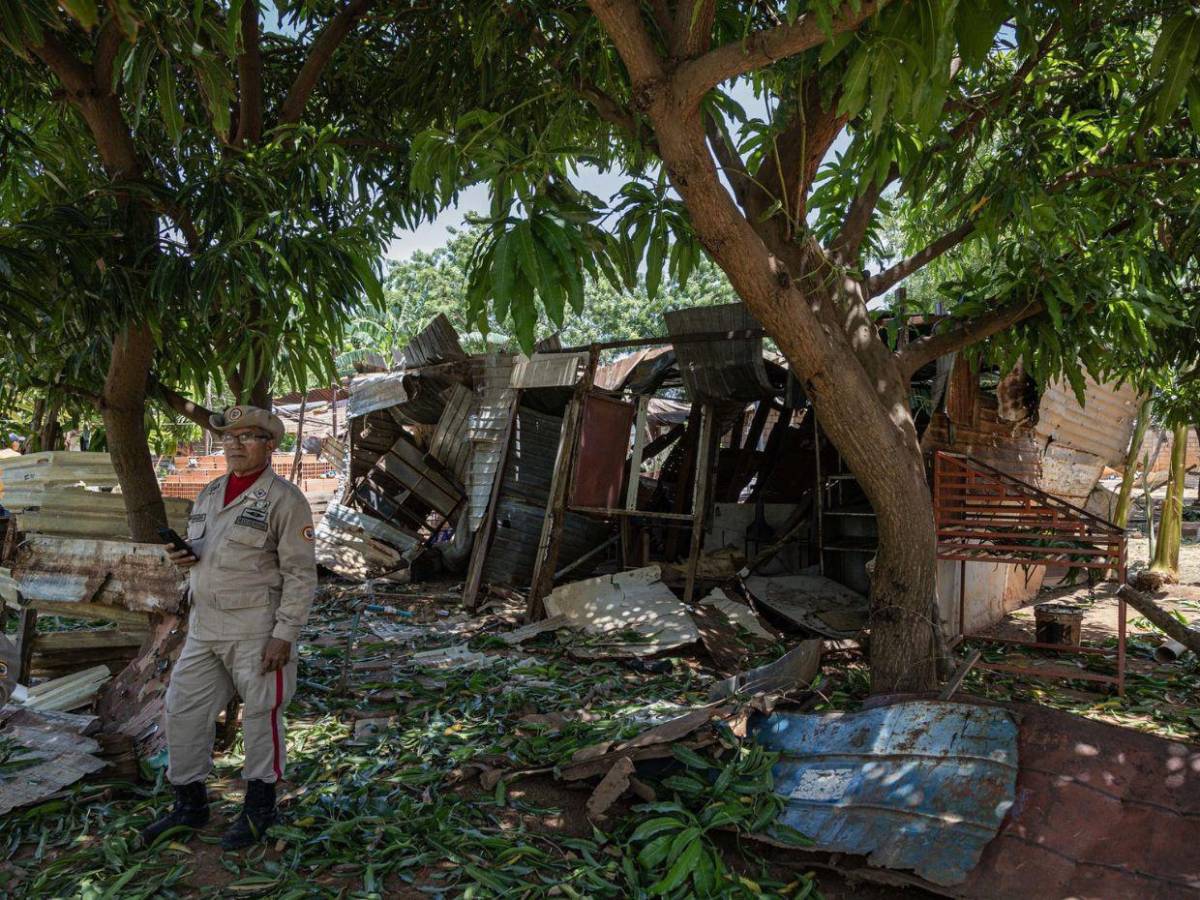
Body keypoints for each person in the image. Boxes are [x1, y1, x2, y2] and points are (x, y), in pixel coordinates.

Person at [141, 405, 317, 850]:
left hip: (258, 629)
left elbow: (301, 574)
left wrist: (285, 634)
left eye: (248, 437)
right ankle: (190, 805)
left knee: (262, 718)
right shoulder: (209, 493)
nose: (235, 445)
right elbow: (207, 551)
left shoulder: (285, 499)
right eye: (229, 438)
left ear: (269, 445)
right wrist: (186, 555)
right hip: (205, 626)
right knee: (182, 709)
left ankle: (260, 810)